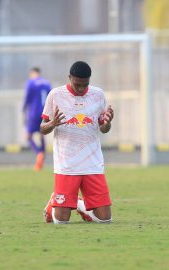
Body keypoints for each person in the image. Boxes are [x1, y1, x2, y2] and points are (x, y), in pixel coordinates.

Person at [40, 61, 114, 224]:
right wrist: (52, 124)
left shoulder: (98, 95)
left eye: (85, 85)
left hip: (92, 163)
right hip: (67, 164)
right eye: (77, 85)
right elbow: (42, 128)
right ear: (69, 78)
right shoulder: (55, 95)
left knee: (105, 220)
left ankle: (80, 205)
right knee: (61, 221)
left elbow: (103, 128)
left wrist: (107, 124)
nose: (81, 89)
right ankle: (54, 202)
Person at [22, 67, 52, 171]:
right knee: (42, 135)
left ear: (32, 73)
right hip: (45, 113)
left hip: (34, 112)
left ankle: (39, 153)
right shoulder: (47, 83)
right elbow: (51, 97)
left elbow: (27, 98)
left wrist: (24, 109)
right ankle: (41, 160)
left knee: (28, 136)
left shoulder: (31, 83)